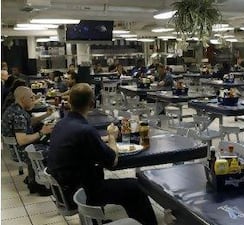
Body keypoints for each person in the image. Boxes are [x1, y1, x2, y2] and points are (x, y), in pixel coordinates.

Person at [47, 83, 158, 225]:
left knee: (124, 187)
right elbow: (112, 161)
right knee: (134, 188)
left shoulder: (61, 124)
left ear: (69, 102)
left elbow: (82, 145)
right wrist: (111, 136)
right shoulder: (86, 131)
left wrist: (101, 139)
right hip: (81, 190)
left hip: (64, 187)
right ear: (92, 103)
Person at [1, 86, 54, 195]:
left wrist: (46, 115)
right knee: (53, 149)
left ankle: (32, 178)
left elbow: (28, 122)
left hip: (17, 148)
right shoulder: (18, 114)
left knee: (46, 138)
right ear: (22, 99)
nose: (33, 100)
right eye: (31, 98)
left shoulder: (15, 109)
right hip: (22, 150)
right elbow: (22, 140)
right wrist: (42, 132)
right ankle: (41, 184)